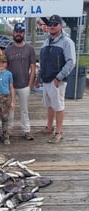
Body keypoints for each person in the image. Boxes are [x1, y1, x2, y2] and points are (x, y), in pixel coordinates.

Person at [38, 14, 76, 143]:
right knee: (49, 105)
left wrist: (59, 78)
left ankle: (59, 132)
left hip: (57, 81)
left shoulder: (67, 41)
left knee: (59, 106)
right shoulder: (46, 40)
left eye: (55, 24)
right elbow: (42, 61)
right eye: (50, 24)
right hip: (46, 80)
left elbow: (71, 62)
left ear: (61, 25)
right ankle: (49, 127)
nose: (52, 27)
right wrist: (39, 77)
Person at [5, 22, 36, 140]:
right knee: (10, 109)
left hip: (24, 85)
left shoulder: (30, 49)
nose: (18, 34)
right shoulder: (7, 50)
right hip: (11, 86)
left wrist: (30, 84)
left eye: (21, 32)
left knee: (24, 110)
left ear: (23, 33)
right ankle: (8, 130)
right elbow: (4, 68)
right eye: (17, 32)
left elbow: (33, 68)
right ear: (13, 33)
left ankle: (26, 130)